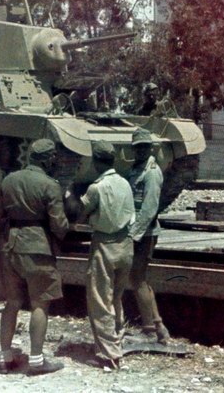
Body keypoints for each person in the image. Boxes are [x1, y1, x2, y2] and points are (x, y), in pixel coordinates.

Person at [0, 138, 69, 375]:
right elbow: (58, 224)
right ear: (48, 160)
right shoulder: (50, 185)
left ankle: (5, 357)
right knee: (39, 304)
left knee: (12, 303)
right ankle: (36, 360)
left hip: (11, 246)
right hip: (38, 247)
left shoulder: (9, 180)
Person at [80, 141, 136, 370]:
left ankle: (109, 355)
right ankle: (116, 341)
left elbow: (82, 211)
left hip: (105, 244)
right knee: (115, 298)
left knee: (100, 301)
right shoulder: (125, 183)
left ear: (95, 162)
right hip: (126, 245)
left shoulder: (96, 188)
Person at [127, 128, 170, 343]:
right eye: (138, 147)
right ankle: (159, 327)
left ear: (150, 148)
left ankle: (150, 330)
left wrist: (133, 235)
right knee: (139, 279)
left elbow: (150, 208)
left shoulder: (151, 172)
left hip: (144, 233)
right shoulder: (138, 168)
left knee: (137, 280)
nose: (141, 150)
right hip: (141, 232)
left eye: (145, 146)